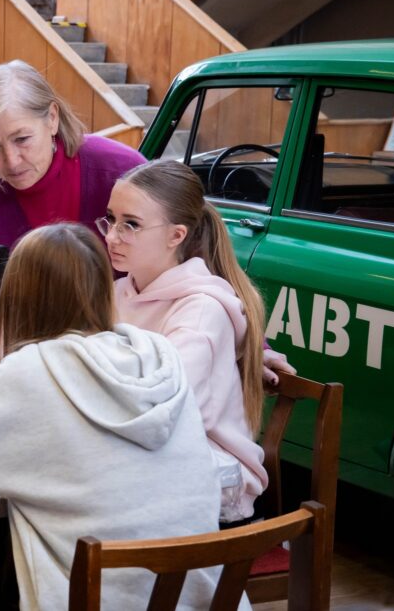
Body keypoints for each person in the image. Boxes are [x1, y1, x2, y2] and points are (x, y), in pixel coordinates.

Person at [0, 223, 232, 610]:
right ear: (105, 287)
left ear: (17, 297)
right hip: (196, 597)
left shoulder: (23, 376)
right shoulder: (158, 356)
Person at [100, 160, 272, 523]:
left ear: (176, 235)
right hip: (155, 461)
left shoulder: (200, 311)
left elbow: (169, 409)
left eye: (130, 224)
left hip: (213, 484)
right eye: (111, 219)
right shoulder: (119, 292)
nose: (112, 235)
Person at [0, 60, 144, 339]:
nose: (10, 160)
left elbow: (165, 278)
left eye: (21, 139)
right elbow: (1, 323)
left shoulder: (121, 171)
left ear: (52, 118)